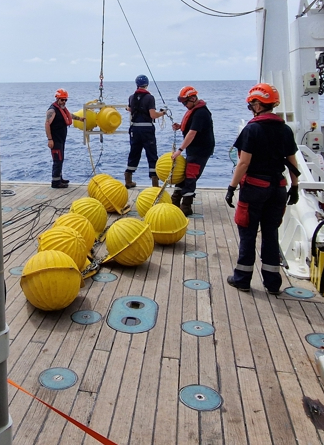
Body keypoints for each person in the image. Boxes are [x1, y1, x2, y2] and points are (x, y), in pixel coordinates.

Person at [225, 83, 300, 295]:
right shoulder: (285, 130)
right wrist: (295, 186)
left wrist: (231, 187)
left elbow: (243, 163)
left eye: (251, 105)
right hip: (278, 189)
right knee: (271, 233)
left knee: (248, 233)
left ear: (258, 105)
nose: (251, 109)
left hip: (255, 188)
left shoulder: (252, 129)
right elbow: (292, 162)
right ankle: (273, 283)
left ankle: (242, 279)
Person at [171, 85, 215, 216]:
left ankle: (186, 206)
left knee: (191, 175)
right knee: (183, 174)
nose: (184, 105)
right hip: (193, 149)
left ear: (193, 98)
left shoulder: (201, 113)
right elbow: (191, 127)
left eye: (185, 102)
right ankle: (175, 201)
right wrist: (181, 126)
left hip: (200, 150)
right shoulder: (195, 111)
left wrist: (179, 150)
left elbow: (192, 133)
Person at [124, 74, 167, 189]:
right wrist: (162, 113)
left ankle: (128, 179)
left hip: (135, 129)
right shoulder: (150, 98)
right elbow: (152, 115)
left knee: (134, 153)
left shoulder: (131, 97)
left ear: (137, 84)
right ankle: (155, 183)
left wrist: (127, 108)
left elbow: (130, 108)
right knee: (151, 154)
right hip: (147, 129)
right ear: (146, 85)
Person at [46, 88, 84, 188]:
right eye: (62, 100)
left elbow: (68, 115)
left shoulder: (61, 109)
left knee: (60, 159)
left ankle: (59, 178)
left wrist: (79, 119)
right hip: (55, 140)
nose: (64, 102)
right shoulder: (52, 110)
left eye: (65, 100)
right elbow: (47, 124)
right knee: (57, 160)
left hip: (61, 139)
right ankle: (55, 182)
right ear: (57, 99)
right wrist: (50, 139)